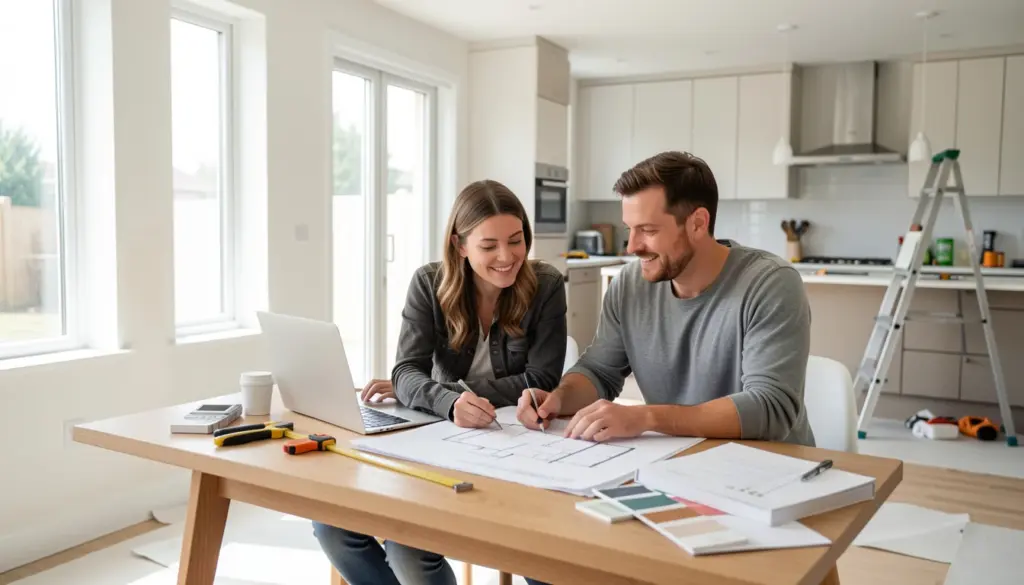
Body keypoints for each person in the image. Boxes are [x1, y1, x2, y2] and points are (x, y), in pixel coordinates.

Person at [312, 179, 567, 585]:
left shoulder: (546, 285)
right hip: (443, 436)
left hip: (515, 441)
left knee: (409, 550)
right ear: (459, 244)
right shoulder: (429, 284)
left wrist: (443, 394)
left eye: (516, 241)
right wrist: (446, 404)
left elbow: (542, 378)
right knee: (331, 525)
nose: (507, 257)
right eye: (489, 246)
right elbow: (405, 371)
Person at [516, 150, 815, 447]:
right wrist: (558, 399)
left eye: (647, 230)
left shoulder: (769, 283)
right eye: (629, 230)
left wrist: (647, 417)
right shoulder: (628, 286)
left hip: (771, 469)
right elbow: (598, 372)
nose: (632, 246)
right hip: (678, 462)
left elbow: (771, 408)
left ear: (698, 223)